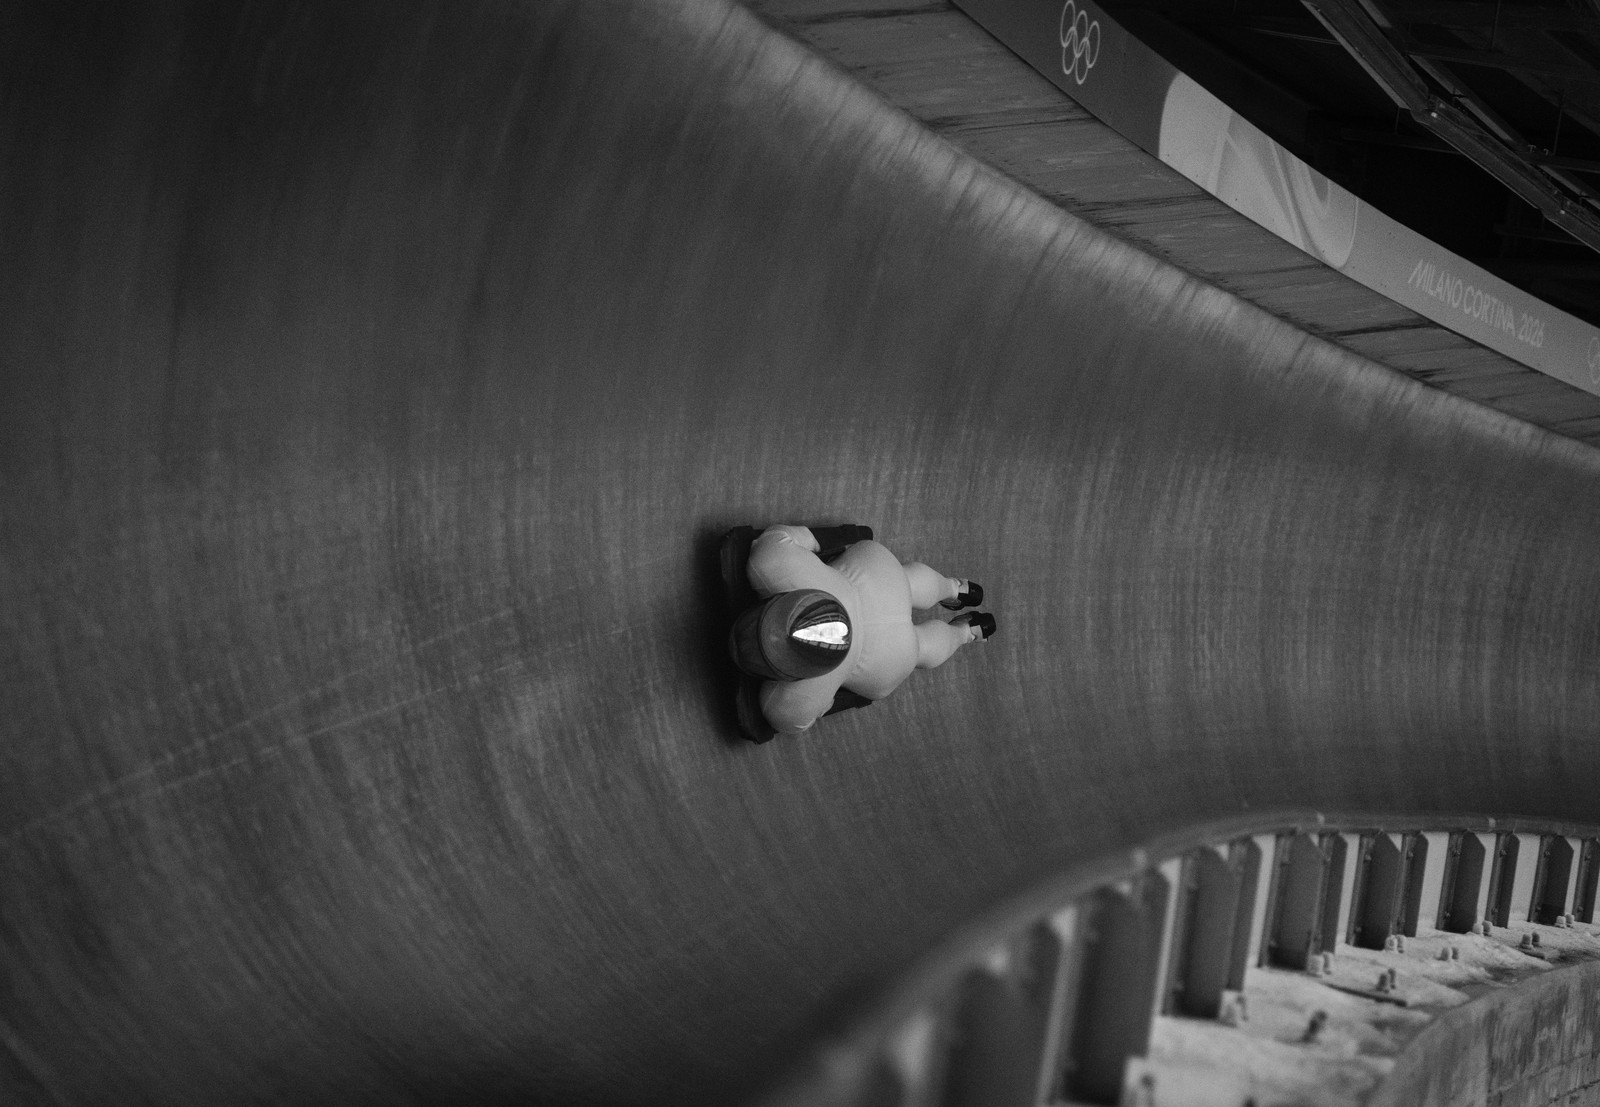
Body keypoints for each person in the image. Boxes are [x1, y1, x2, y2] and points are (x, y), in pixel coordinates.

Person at [728, 524, 994, 739]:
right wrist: (835, 540)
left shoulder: (788, 708)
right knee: (906, 584)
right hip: (876, 580)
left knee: (919, 647)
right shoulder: (768, 560)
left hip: (886, 658)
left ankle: (964, 632)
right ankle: (953, 591)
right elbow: (800, 538)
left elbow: (800, 719)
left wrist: (834, 696)